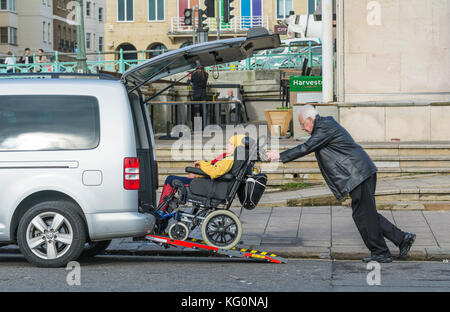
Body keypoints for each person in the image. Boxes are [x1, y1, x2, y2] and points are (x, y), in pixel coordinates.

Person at [266, 105, 416, 263]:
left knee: (365, 214)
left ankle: (382, 252)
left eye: (303, 124)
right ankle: (400, 239)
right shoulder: (324, 126)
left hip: (359, 173)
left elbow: (306, 147)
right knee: (365, 214)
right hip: (358, 174)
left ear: (310, 119)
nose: (302, 128)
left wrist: (279, 155)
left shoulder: (325, 127)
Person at [158, 134, 245, 212]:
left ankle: (161, 210)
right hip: (209, 184)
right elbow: (214, 168)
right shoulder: (229, 158)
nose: (227, 146)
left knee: (170, 179)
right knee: (174, 178)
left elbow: (215, 172)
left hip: (207, 186)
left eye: (230, 144)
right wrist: (202, 164)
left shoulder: (229, 160)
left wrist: (202, 164)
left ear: (236, 147)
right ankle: (167, 206)